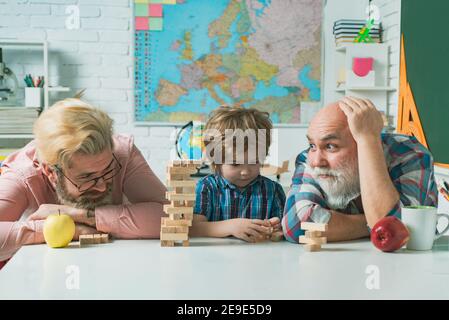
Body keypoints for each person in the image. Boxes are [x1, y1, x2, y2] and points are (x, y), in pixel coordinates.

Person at [0, 98, 167, 263]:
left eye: (108, 170)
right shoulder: (22, 174)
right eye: (87, 177)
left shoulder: (121, 153)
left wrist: (81, 216)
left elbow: (173, 216)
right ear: (50, 172)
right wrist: (64, 229)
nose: (102, 187)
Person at [282, 96, 438, 243]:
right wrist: (369, 223)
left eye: (330, 146)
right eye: (312, 146)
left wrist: (368, 140)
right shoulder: (308, 159)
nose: (316, 162)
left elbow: (392, 238)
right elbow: (297, 224)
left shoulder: (409, 154)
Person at [190, 106, 286, 242]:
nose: (245, 172)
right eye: (235, 164)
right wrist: (230, 227)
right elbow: (193, 228)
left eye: (254, 162)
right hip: (214, 260)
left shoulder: (273, 190)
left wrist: (275, 228)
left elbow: (284, 232)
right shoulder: (206, 187)